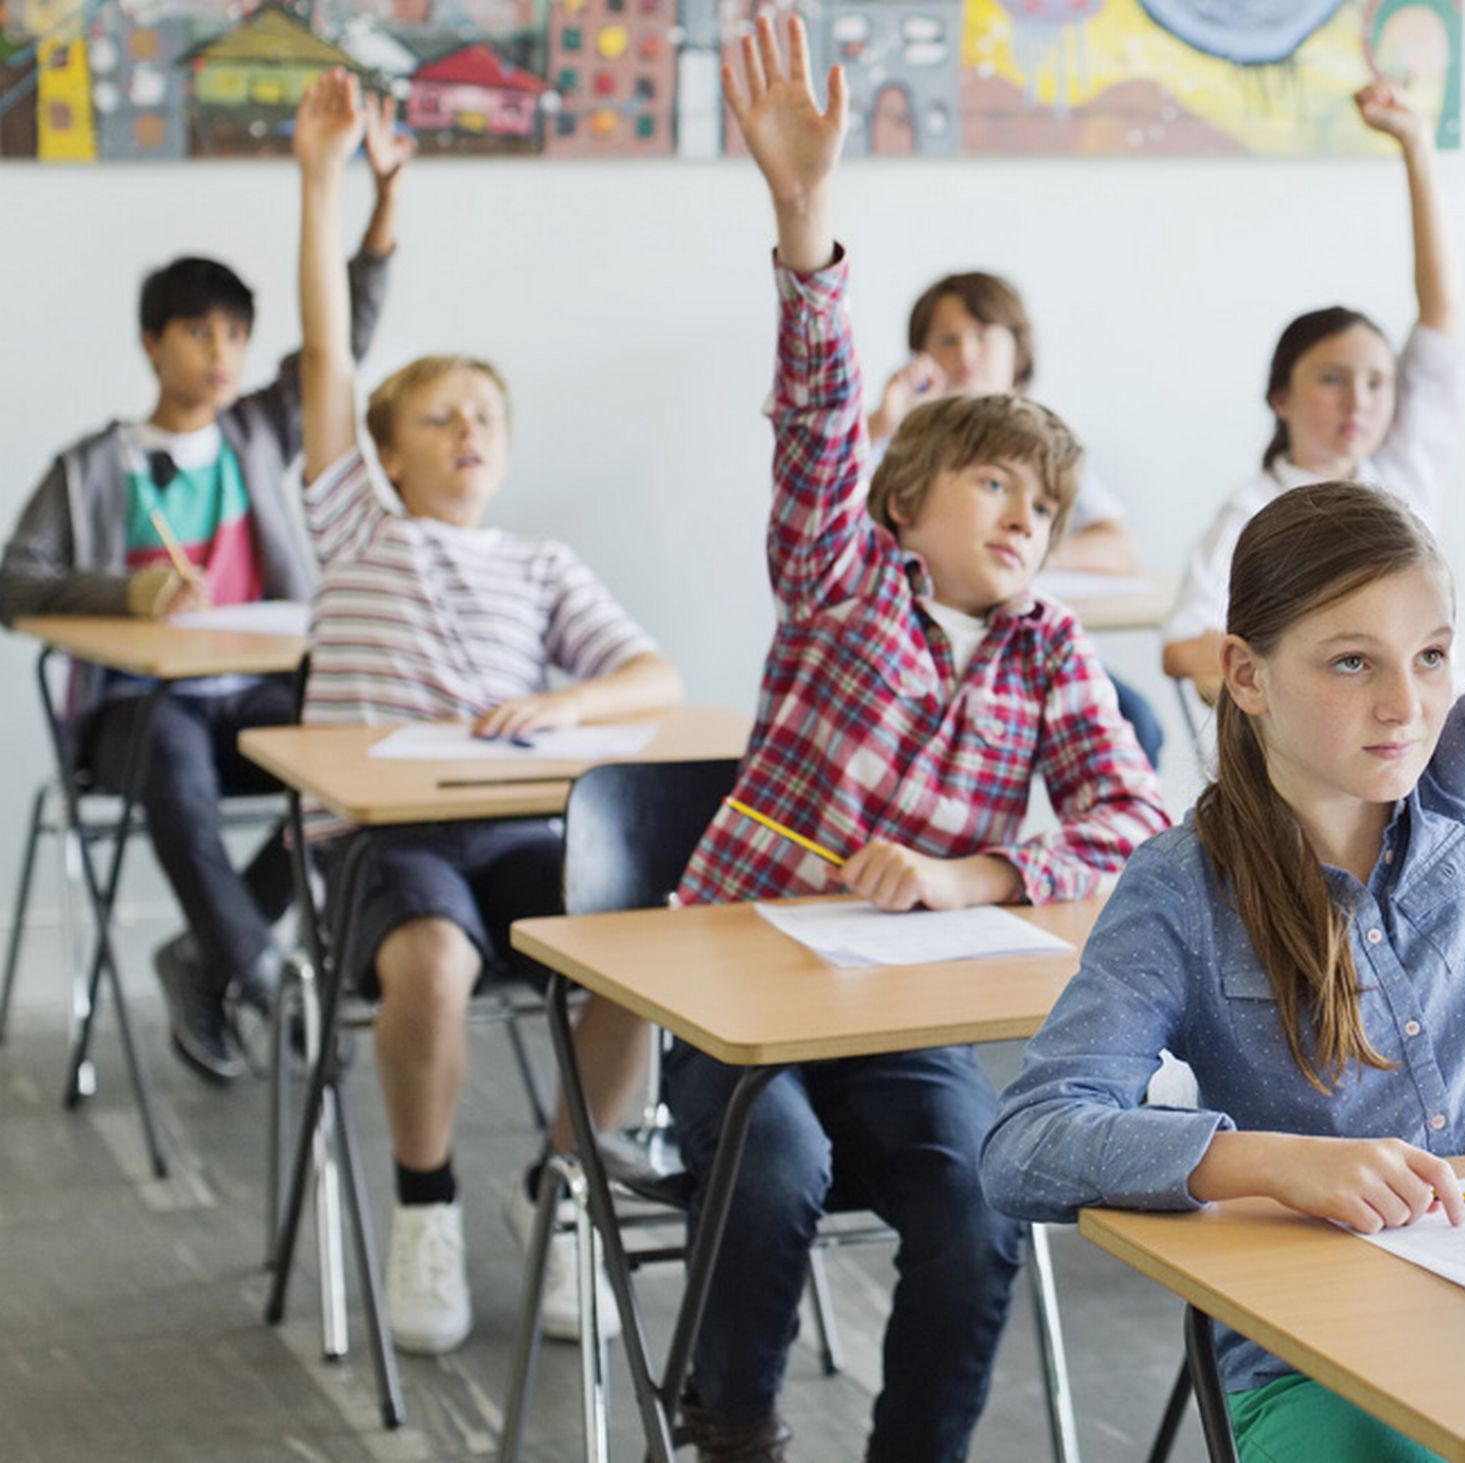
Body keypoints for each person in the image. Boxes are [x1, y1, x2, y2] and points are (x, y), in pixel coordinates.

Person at [984, 87, 1465, 1463]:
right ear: (1245, 674)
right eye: (1349, 663)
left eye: (1424, 654)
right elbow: (1030, 1137)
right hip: (1324, 1348)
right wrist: (1263, 1158)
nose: (1405, 701)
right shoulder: (1183, 888)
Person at [663, 21, 1169, 1460]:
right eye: (994, 485)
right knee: (778, 1172)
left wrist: (977, 875)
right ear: (904, 508)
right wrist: (803, 218)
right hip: (741, 981)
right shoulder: (843, 582)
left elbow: (1131, 822)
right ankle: (734, 1424)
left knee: (977, 1189)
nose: (1023, 518)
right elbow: (817, 424)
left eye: (1044, 505)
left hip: (899, 1002)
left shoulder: (1048, 642)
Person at [291, 70, 683, 1356]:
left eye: (485, 417)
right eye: (438, 416)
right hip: (388, 849)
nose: (467, 432)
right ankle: (423, 1201)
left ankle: (565, 1192)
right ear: (385, 452)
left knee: (639, 944)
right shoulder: (356, 532)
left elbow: (654, 680)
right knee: (435, 963)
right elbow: (332, 354)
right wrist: (325, 184)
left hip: (520, 830)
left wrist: (559, 700)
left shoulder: (538, 564)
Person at [0, 98, 407, 1083]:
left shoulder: (263, 430)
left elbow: (337, 337)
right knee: (172, 748)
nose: (220, 352)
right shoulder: (92, 465)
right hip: (134, 711)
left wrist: (383, 198)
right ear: (153, 344)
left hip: (258, 690)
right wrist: (127, 595)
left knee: (351, 753)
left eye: (235, 332)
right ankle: (264, 974)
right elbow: (14, 579)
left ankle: (210, 952)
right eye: (197, 332)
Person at [1159, 75, 1461, 702]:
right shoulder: (1253, 514)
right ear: (1281, 398)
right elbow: (1183, 645)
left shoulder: (1402, 470)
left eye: (1378, 383)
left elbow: (1440, 314)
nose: (1359, 401)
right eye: (1331, 380)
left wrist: (1415, 147)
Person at [868, 269, 1165, 762]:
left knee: (1136, 721)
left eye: (983, 337)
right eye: (945, 340)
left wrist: (1020, 551)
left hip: (1020, 645)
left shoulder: (1042, 448)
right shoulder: (896, 441)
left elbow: (1119, 546)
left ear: (1018, 351)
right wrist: (882, 421)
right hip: (918, 641)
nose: (965, 355)